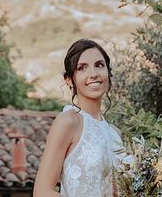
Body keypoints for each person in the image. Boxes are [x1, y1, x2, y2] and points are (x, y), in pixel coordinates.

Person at [34, 39, 124, 197]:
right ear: (69, 80)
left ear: (108, 73)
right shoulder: (68, 122)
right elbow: (42, 192)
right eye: (82, 68)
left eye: (99, 65)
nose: (93, 74)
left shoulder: (115, 134)